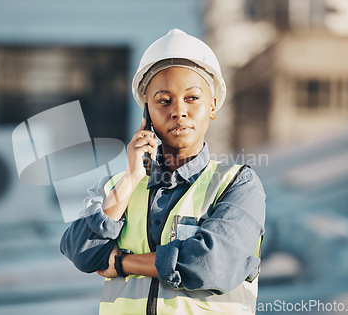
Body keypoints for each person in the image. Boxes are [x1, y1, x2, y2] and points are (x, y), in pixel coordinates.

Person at [60, 29, 266, 315]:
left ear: (213, 106)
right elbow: (80, 251)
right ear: (147, 113)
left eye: (192, 98)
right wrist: (132, 177)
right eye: (163, 100)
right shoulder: (119, 186)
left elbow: (209, 264)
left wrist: (121, 263)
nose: (178, 111)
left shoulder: (237, 184)